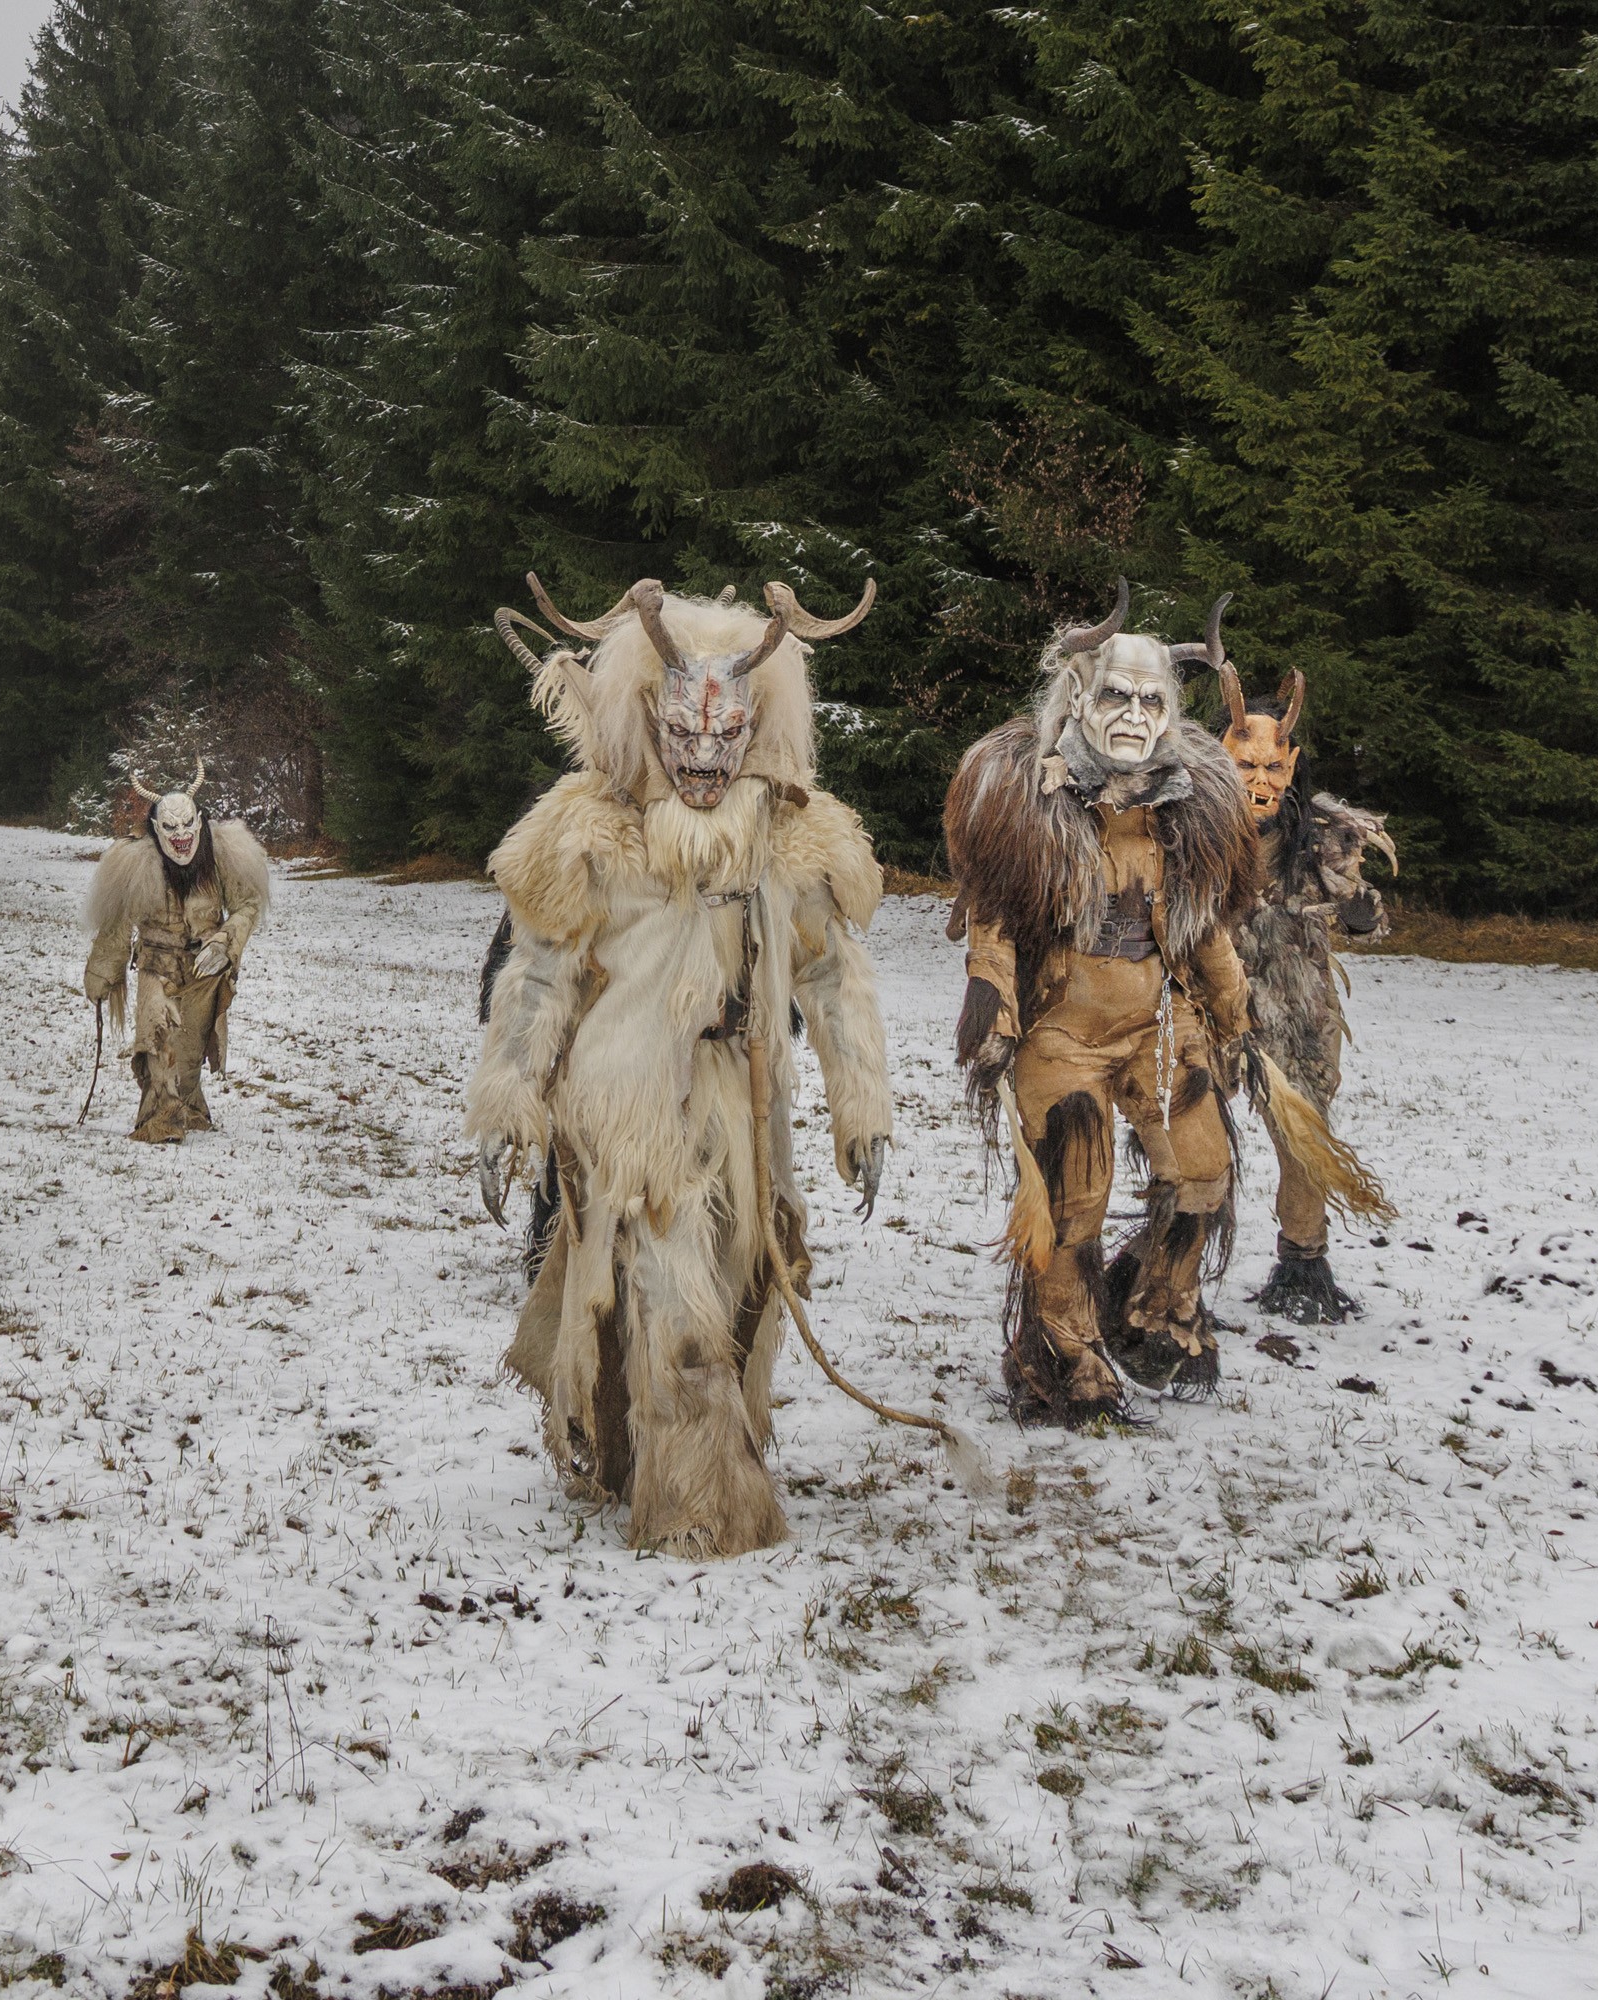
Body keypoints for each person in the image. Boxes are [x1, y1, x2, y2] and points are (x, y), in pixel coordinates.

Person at [472, 575, 891, 1555]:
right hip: (629, 1111)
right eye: (682, 732)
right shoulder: (589, 828)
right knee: (676, 1302)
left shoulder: (790, 834)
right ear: (648, 721)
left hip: (744, 1105)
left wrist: (859, 1107)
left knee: (738, 1294)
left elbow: (833, 979)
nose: (703, 755)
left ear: (755, 725)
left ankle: (632, 1451)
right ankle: (698, 1512)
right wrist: (505, 1104)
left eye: (725, 732)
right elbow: (536, 976)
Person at [943, 582, 1258, 1423]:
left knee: (1203, 1171)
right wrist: (992, 1009)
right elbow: (994, 919)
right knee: (1072, 1196)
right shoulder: (1026, 802)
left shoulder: (1189, 809)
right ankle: (1064, 1349)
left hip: (1161, 1024)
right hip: (1064, 1028)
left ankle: (1151, 1305)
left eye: (1151, 700)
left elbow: (1204, 926)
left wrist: (1233, 1011)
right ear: (1079, 696)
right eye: (1116, 695)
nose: (1133, 715)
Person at [1216, 640, 1398, 1319]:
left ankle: (1302, 1262)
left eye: (1273, 766)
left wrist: (1358, 910)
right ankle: (1171, 1261)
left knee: (1303, 1136)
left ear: (1291, 767)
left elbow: (1364, 919)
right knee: (1191, 1132)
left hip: (1298, 1009)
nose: (1260, 780)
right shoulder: (1192, 830)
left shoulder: (1320, 836)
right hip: (1212, 1001)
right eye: (1245, 764)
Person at [82, 763, 271, 1142]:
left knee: (189, 1048)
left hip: (205, 968)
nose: (181, 836)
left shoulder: (223, 855)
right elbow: (117, 922)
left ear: (200, 821)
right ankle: (160, 1119)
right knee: (156, 1039)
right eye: (170, 827)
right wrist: (103, 972)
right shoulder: (135, 863)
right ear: (156, 828)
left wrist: (226, 942)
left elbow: (248, 904)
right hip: (157, 963)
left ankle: (191, 1109)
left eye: (187, 825)